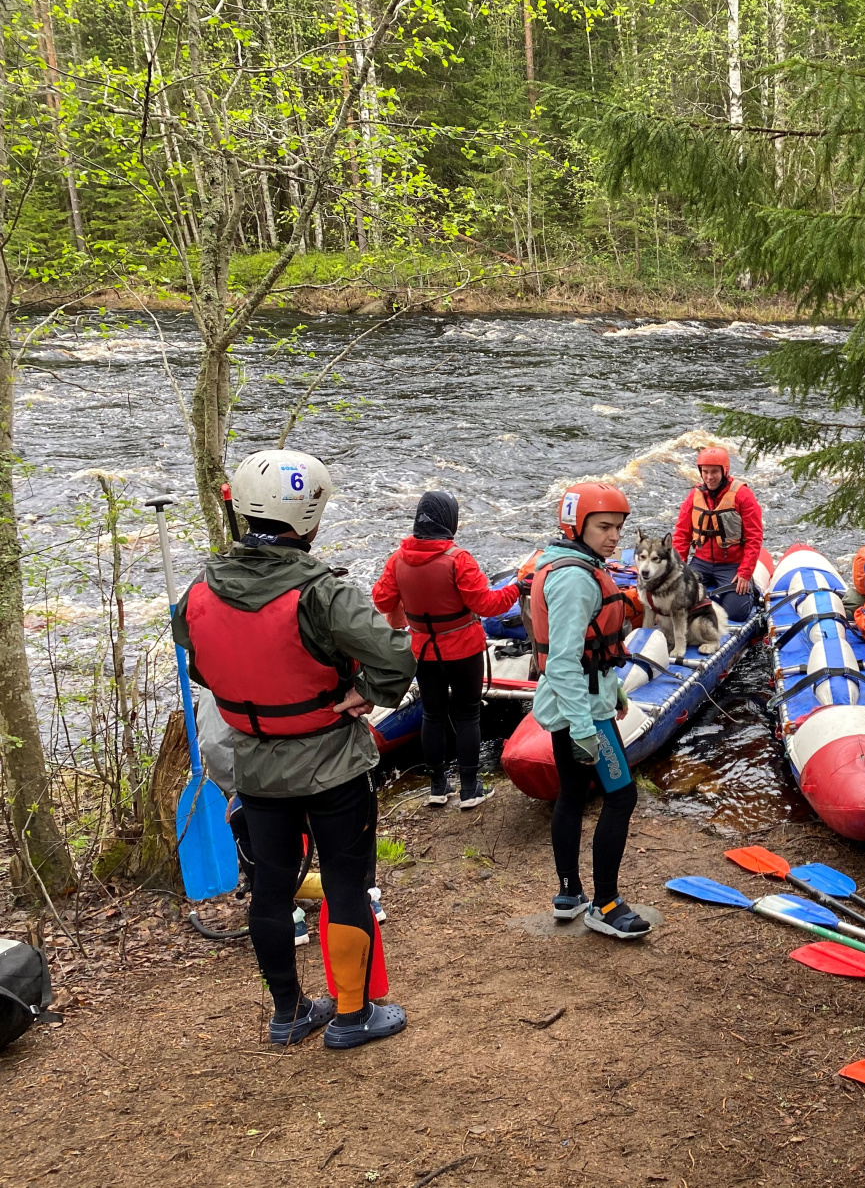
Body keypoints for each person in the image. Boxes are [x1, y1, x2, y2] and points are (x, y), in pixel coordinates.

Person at [175, 449, 415, 1049]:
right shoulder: (325, 593)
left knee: (272, 889)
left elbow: (202, 666)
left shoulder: (199, 590)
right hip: (333, 764)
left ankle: (288, 1013)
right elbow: (396, 657)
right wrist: (365, 694)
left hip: (256, 768)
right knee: (345, 885)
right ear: (309, 517)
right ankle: (353, 1017)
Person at [530, 482, 651, 940]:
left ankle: (569, 894)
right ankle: (606, 904)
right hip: (582, 713)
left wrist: (614, 688)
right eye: (603, 527)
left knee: (572, 794)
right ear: (575, 527)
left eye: (618, 527)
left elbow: (588, 649)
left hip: (578, 702)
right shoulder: (576, 579)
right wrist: (585, 726)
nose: (614, 536)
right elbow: (564, 661)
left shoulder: (567, 564)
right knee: (621, 797)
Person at [372, 492, 519, 809]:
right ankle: (470, 789)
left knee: (432, 715)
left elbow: (382, 600)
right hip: (463, 649)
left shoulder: (398, 559)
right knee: (468, 715)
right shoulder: (458, 559)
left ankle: (438, 786)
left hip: (423, 650)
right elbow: (487, 605)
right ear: (449, 521)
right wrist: (516, 589)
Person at [671, 446, 764, 622]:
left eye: (714, 472)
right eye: (705, 472)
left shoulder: (743, 495)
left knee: (736, 613)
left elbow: (754, 537)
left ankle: (751, 591)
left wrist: (745, 572)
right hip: (701, 562)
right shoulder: (695, 495)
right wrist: (677, 568)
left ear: (724, 471)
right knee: (680, 600)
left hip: (731, 564)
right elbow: (682, 535)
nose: (709, 477)